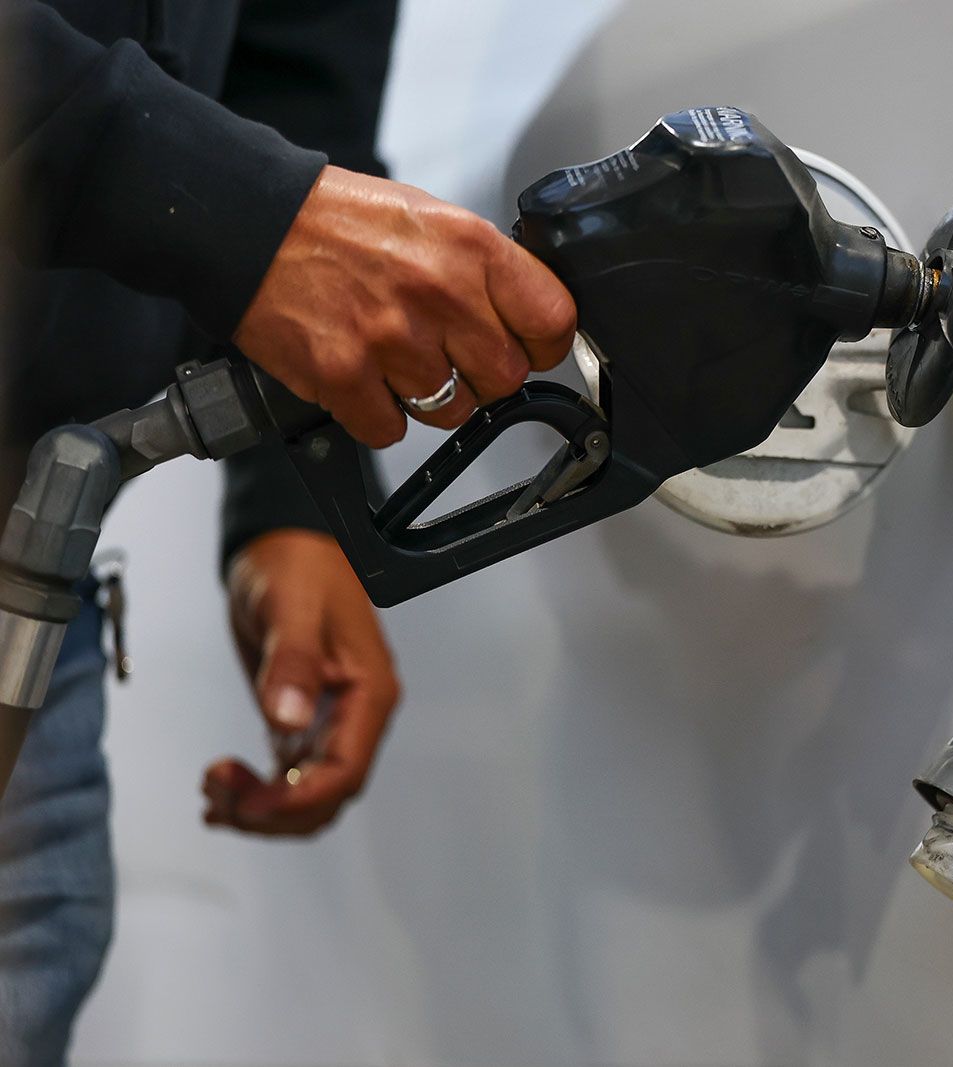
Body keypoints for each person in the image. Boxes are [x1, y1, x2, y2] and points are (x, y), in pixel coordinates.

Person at [0, 1, 577, 1061]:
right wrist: (238, 213)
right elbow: (256, 198)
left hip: (38, 573)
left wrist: (291, 499)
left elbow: (289, 74)